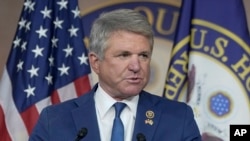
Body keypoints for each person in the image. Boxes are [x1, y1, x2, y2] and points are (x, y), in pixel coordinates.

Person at [29, 9, 201, 141]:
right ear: (96, 62)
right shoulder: (55, 120)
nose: (136, 66)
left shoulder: (178, 118)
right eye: (124, 55)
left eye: (143, 56)